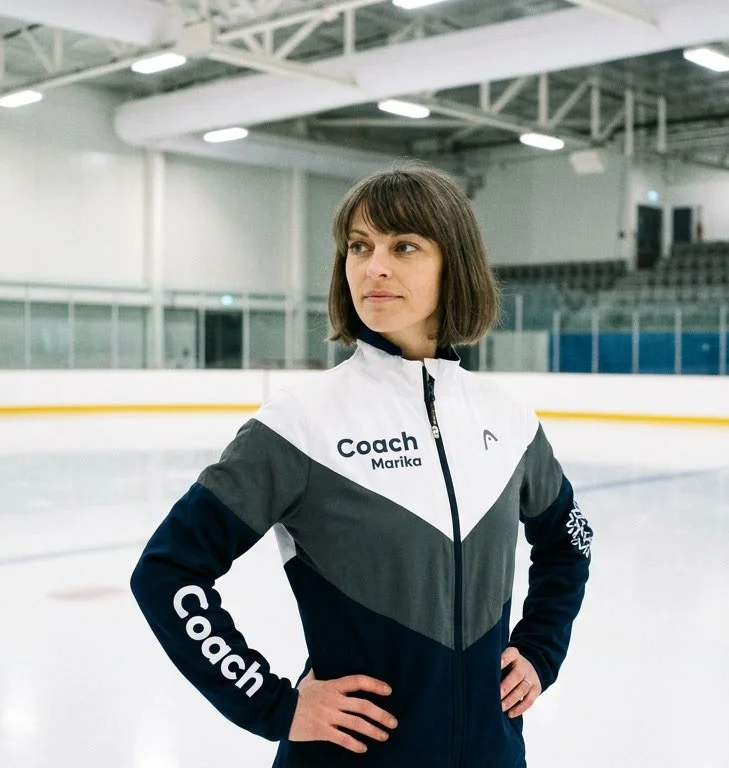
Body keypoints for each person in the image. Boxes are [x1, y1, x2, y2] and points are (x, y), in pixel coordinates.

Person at [130, 162, 593, 767]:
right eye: (359, 246)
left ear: (454, 263)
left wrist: (540, 648)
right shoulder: (300, 423)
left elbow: (570, 540)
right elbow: (167, 574)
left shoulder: (507, 421)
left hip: (491, 753)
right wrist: (274, 703)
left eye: (404, 246)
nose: (374, 266)